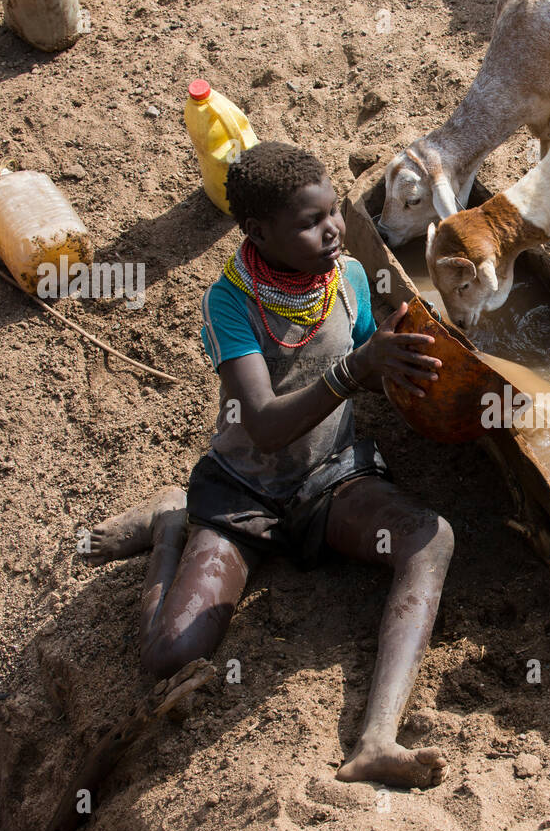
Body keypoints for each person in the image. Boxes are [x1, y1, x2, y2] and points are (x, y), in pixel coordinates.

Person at [83, 141, 451, 788]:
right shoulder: (229, 304)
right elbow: (264, 421)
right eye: (310, 222)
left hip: (331, 480)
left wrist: (400, 357)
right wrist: (355, 369)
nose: (333, 227)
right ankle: (173, 523)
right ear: (258, 232)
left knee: (431, 537)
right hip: (245, 490)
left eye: (334, 211)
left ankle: (376, 737)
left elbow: (364, 359)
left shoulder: (349, 277)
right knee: (168, 654)